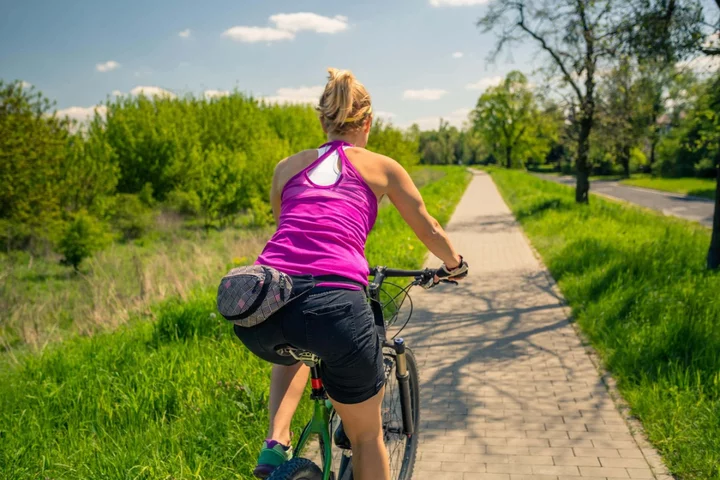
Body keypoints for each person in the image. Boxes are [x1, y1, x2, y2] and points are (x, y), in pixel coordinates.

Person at [233, 67, 468, 480]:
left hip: (260, 307)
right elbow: (428, 227)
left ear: (321, 120)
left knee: (298, 339)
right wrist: (455, 265)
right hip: (335, 308)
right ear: (368, 123)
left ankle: (276, 439)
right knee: (366, 437)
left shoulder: (286, 167)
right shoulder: (383, 167)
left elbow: (287, 232)